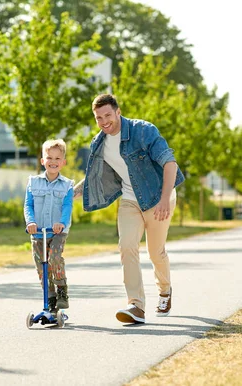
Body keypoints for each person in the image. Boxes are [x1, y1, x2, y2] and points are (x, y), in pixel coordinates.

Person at [74, 94, 185, 324]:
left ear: (118, 112)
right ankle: (136, 305)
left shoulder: (143, 131)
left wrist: (165, 198)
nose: (104, 121)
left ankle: (165, 290)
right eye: (98, 118)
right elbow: (93, 178)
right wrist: (68, 192)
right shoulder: (99, 143)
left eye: (107, 115)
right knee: (126, 247)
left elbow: (170, 163)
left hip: (158, 196)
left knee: (156, 252)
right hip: (129, 201)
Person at [24, 139, 74, 311]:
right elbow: (28, 205)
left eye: (57, 158)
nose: (53, 162)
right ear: (42, 161)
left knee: (54, 258)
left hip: (57, 231)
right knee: (41, 266)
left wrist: (61, 223)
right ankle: (50, 297)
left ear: (63, 162)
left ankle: (61, 290)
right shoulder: (33, 182)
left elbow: (67, 206)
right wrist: (30, 221)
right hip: (38, 231)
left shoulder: (67, 185)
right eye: (49, 158)